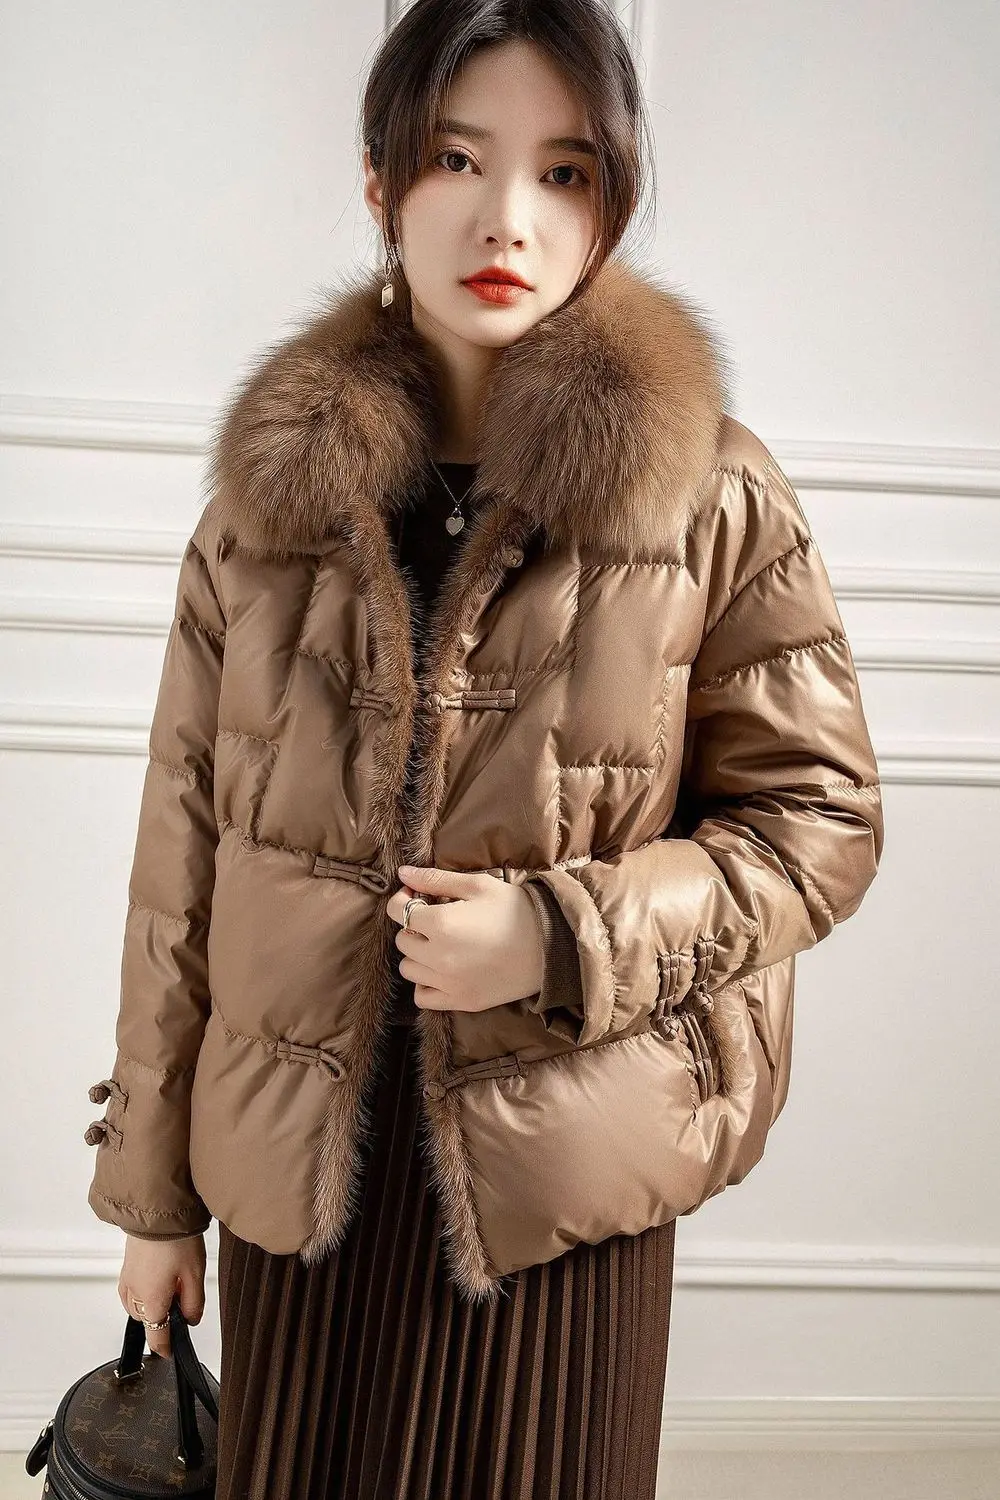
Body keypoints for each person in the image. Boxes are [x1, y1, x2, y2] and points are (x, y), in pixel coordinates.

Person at [84, 1, 884, 1495]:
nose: (507, 215)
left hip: (566, 1190)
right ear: (381, 180)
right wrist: (150, 1202)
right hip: (300, 1195)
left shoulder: (709, 496)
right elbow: (179, 871)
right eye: (457, 158)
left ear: (611, 205)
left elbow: (818, 828)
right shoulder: (264, 511)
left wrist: (560, 935)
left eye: (564, 173)